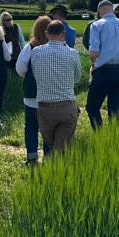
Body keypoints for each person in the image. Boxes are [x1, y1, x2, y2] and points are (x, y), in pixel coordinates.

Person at [25, 20, 82, 154]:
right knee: (61, 148)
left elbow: (35, 73)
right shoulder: (73, 53)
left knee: (50, 144)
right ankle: (56, 169)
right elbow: (77, 78)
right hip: (66, 106)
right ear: (63, 34)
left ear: (46, 34)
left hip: (45, 108)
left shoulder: (36, 52)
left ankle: (48, 166)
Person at [85, 0, 119, 130]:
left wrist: (93, 64)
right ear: (112, 10)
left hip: (104, 70)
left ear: (99, 11)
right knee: (114, 107)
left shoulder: (97, 25)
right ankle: (114, 134)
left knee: (92, 106)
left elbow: (93, 52)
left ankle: (99, 133)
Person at [15, 15, 52, 165]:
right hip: (50, 94)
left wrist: (29, 76)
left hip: (31, 92)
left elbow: (20, 68)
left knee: (31, 125)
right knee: (48, 128)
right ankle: (48, 157)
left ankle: (31, 157)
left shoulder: (30, 47)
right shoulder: (55, 48)